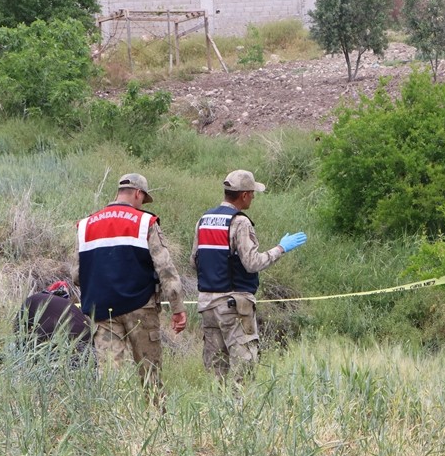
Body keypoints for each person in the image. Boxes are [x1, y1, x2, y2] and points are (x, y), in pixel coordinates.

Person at [76, 173, 187, 399]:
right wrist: (178, 308)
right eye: (142, 199)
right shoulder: (145, 222)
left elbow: (77, 274)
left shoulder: (86, 225)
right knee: (150, 375)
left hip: (102, 311)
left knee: (108, 377)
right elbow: (165, 269)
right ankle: (157, 423)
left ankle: (110, 426)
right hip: (140, 308)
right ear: (138, 193)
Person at [192, 169, 306, 380]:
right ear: (244, 195)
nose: (253, 197)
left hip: (207, 304)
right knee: (243, 369)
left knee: (216, 371)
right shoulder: (240, 223)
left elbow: (194, 261)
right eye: (252, 192)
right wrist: (281, 248)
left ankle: (216, 411)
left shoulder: (204, 220)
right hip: (233, 304)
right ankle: (239, 411)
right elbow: (252, 263)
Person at [17, 280, 93, 361]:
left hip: (60, 339)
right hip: (88, 338)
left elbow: (18, 332)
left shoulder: (32, 300)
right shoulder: (68, 303)